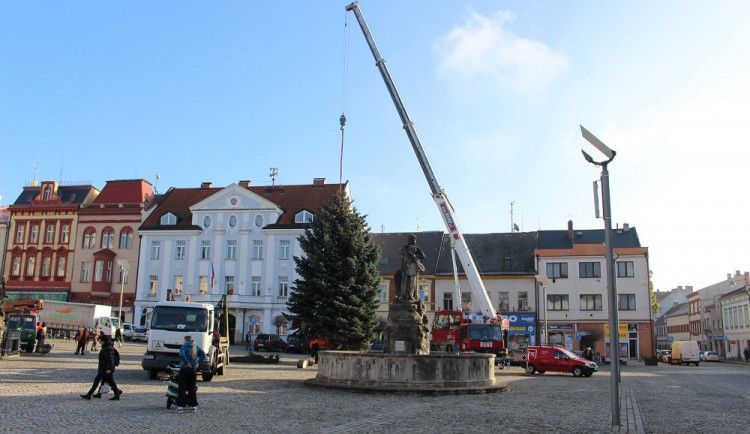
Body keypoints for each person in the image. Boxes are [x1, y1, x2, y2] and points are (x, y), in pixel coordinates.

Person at [81, 334, 122, 401]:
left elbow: (110, 359)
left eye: (100, 340)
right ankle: (115, 392)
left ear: (103, 341)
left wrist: (109, 369)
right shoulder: (107, 347)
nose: (99, 342)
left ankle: (89, 395)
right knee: (107, 382)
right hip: (104, 368)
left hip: (105, 369)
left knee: (98, 381)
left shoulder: (107, 348)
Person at [175, 335, 206, 414]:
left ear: (186, 340)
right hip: (192, 369)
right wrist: (198, 363)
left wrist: (186, 362)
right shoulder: (196, 347)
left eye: (184, 340)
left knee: (182, 388)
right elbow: (203, 355)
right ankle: (193, 406)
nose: (183, 341)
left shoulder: (184, 347)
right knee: (192, 388)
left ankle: (180, 407)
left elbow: (182, 355)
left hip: (184, 368)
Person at [398, 234, 426, 300]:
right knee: (404, 280)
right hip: (405, 265)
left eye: (413, 239)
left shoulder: (416, 248)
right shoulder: (405, 247)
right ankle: (402, 295)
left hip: (413, 264)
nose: (411, 240)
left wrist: (414, 256)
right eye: (410, 239)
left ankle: (411, 295)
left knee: (412, 281)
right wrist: (402, 265)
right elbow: (402, 257)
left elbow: (423, 256)